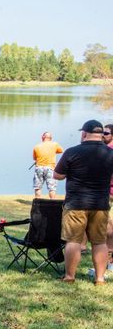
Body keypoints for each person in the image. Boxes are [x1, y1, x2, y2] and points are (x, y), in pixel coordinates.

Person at [53, 120, 113, 285]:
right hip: (100, 204)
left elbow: (57, 175)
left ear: (84, 133)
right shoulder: (110, 153)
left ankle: (70, 276)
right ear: (101, 134)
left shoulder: (72, 152)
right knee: (99, 242)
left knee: (73, 241)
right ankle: (100, 278)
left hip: (76, 204)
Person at [32, 131, 63, 199]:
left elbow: (34, 158)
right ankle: (53, 203)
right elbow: (61, 151)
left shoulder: (37, 146)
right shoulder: (55, 144)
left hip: (39, 167)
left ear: (42, 137)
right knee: (52, 188)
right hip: (50, 168)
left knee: (38, 187)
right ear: (51, 138)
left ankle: (38, 203)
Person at [104, 124, 113, 267]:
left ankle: (110, 258)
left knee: (108, 225)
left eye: (106, 133)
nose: (102, 135)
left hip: (109, 191)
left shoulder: (108, 151)